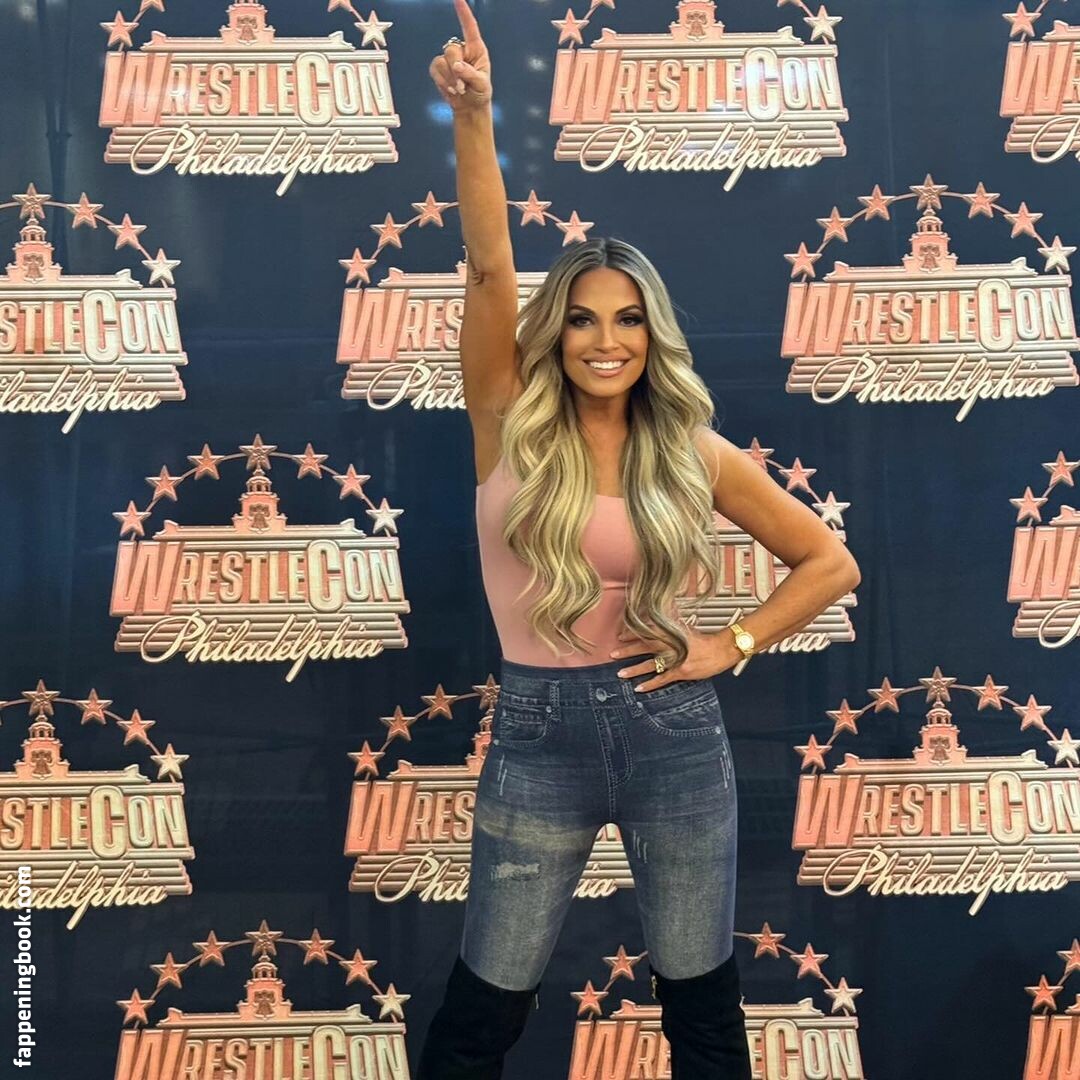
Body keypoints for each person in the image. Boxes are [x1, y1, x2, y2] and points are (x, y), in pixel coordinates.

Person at [418, 3, 861, 1076]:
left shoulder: (692, 450)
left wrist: (733, 643)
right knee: (484, 1011)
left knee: (702, 1013)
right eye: (582, 317)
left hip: (674, 737)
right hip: (536, 737)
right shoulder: (505, 419)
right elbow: (488, 271)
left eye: (626, 319)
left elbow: (831, 562)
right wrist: (474, 116)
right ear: (556, 331)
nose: (604, 340)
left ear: (652, 334)